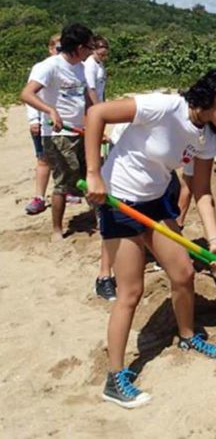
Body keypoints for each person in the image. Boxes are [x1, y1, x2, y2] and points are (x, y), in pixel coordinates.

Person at [83, 67, 216, 409]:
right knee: (131, 291)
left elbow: (201, 191)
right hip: (119, 200)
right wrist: (93, 174)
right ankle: (115, 378)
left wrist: (214, 238)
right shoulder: (164, 106)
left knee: (184, 273)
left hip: (156, 202)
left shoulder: (207, 136)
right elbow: (96, 113)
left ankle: (187, 336)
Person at [20, 23, 95, 241]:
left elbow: (88, 99)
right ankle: (56, 229)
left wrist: (96, 126)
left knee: (90, 174)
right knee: (64, 181)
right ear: (79, 47)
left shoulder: (81, 67)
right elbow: (26, 94)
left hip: (80, 130)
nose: (91, 51)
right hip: (57, 133)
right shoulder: (49, 66)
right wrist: (49, 110)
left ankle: (99, 218)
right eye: (89, 47)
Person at [84, 35, 117, 301]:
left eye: (107, 49)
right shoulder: (89, 66)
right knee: (96, 166)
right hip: (94, 114)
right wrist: (100, 112)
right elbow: (91, 92)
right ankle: (104, 275)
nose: (104, 52)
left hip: (101, 112)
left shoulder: (100, 65)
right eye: (101, 48)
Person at [24, 34, 61, 215]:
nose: (59, 53)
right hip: (43, 120)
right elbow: (31, 95)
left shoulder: (70, 67)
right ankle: (39, 197)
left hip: (63, 123)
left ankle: (65, 191)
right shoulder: (42, 67)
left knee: (65, 160)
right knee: (43, 159)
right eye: (57, 48)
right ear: (50, 48)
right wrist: (33, 120)